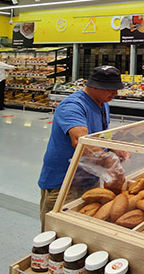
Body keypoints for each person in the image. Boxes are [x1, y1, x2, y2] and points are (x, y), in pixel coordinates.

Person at [38, 65, 127, 230]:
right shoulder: (72, 106)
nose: (115, 93)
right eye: (110, 89)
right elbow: (82, 142)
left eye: (117, 88)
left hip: (89, 180)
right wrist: (111, 163)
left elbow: (95, 136)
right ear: (94, 86)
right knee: (57, 234)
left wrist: (111, 147)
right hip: (64, 184)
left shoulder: (102, 102)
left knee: (84, 233)